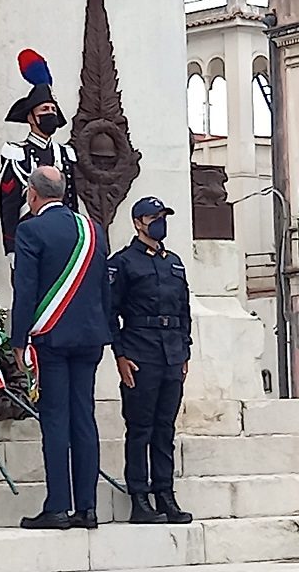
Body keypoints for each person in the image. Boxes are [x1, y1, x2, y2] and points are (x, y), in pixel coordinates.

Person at [10, 166, 111, 530]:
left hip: (51, 339)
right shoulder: (92, 229)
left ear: (33, 195)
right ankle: (88, 508)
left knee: (55, 421)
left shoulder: (30, 230)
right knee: (84, 419)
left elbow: (26, 290)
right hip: (90, 338)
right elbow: (103, 288)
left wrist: (18, 340)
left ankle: (57, 506)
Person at [107, 197, 193, 524]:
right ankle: (139, 498)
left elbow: (183, 310)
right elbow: (110, 312)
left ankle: (165, 494)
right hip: (140, 351)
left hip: (171, 353)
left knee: (164, 429)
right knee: (140, 428)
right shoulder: (124, 263)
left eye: (163, 216)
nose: (160, 221)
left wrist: (185, 350)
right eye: (153, 216)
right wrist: (120, 354)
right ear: (138, 222)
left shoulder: (174, 262)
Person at [0, 49, 79, 274]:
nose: (50, 114)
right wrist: (11, 247)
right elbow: (8, 203)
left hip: (62, 239)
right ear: (31, 117)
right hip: (30, 236)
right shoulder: (16, 153)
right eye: (44, 109)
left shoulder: (65, 153)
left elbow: (71, 200)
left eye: (53, 109)